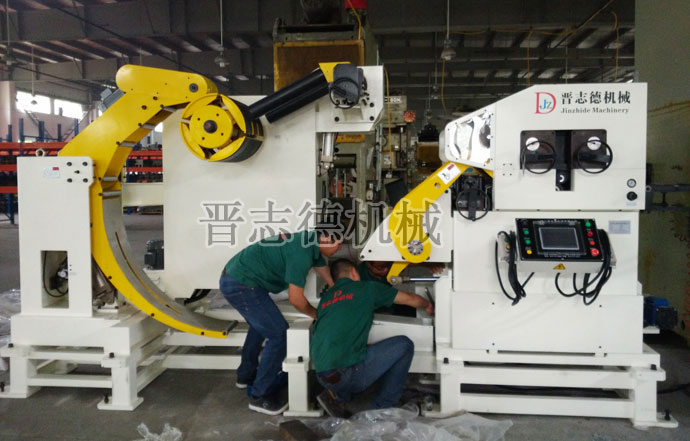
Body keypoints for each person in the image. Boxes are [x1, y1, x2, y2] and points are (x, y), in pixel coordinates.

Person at [220, 229, 342, 415]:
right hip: (241, 283)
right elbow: (296, 299)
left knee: (260, 327)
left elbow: (321, 265)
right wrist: (317, 315)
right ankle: (260, 395)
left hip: (240, 278)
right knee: (279, 335)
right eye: (338, 244)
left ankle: (245, 376)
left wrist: (336, 287)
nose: (339, 248)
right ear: (325, 238)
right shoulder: (301, 252)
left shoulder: (310, 241)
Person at [310, 259, 434, 417]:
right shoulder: (366, 288)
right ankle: (382, 408)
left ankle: (340, 397)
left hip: (322, 375)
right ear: (354, 272)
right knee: (405, 345)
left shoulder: (326, 299)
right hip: (346, 375)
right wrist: (428, 304)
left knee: (348, 351)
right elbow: (410, 299)